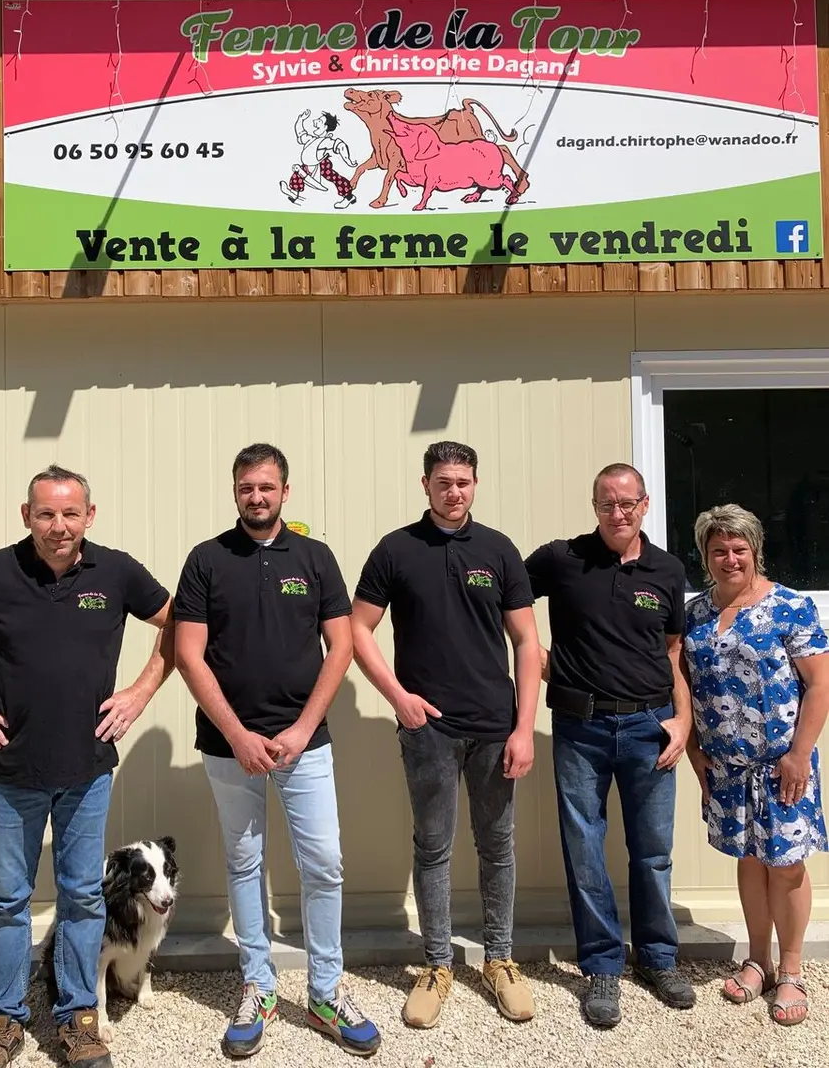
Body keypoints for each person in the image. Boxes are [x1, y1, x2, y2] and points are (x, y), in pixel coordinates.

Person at [0, 465, 173, 1068]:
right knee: (8, 898)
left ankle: (77, 1019)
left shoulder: (116, 572)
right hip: (11, 773)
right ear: (26, 516)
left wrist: (140, 693)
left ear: (90, 515)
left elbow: (181, 626)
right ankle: (3, 1020)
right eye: (46, 514)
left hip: (87, 769)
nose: (58, 526)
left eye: (70, 513)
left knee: (84, 896)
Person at [173, 443, 381, 1059]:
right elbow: (188, 653)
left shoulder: (314, 558)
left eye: (267, 487)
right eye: (246, 488)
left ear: (285, 492)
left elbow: (340, 648)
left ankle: (324, 992)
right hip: (227, 744)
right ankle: (258, 987)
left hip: (304, 742)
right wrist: (238, 735)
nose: (256, 497)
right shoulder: (207, 559)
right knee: (244, 864)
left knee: (324, 865)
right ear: (235, 491)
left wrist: (299, 729)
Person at [351, 441, 542, 1030]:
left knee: (497, 846)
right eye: (443, 482)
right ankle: (437, 965)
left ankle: (500, 959)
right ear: (425, 485)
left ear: (475, 484)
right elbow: (358, 629)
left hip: (494, 727)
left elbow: (528, 643)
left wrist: (524, 728)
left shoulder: (498, 550)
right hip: (428, 730)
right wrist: (398, 697)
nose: (453, 491)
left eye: (462, 481)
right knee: (433, 848)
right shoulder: (395, 550)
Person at [524, 463, 695, 1028]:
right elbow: (507, 604)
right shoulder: (561, 559)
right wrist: (539, 663)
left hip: (651, 726)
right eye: (606, 504)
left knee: (652, 850)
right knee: (585, 850)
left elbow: (672, 651)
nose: (617, 513)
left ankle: (658, 958)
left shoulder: (667, 570)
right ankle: (601, 965)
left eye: (627, 503)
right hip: (580, 728)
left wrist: (683, 718)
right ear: (593, 505)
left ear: (644, 504)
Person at [685, 503, 829, 1026]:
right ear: (705, 555)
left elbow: (819, 685)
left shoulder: (789, 607)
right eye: (718, 549)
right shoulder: (696, 613)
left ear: (755, 551)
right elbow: (688, 683)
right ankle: (758, 960)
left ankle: (791, 970)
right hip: (725, 767)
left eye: (739, 549)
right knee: (748, 860)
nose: (729, 558)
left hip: (780, 764)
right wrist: (696, 746)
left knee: (786, 865)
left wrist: (798, 755)